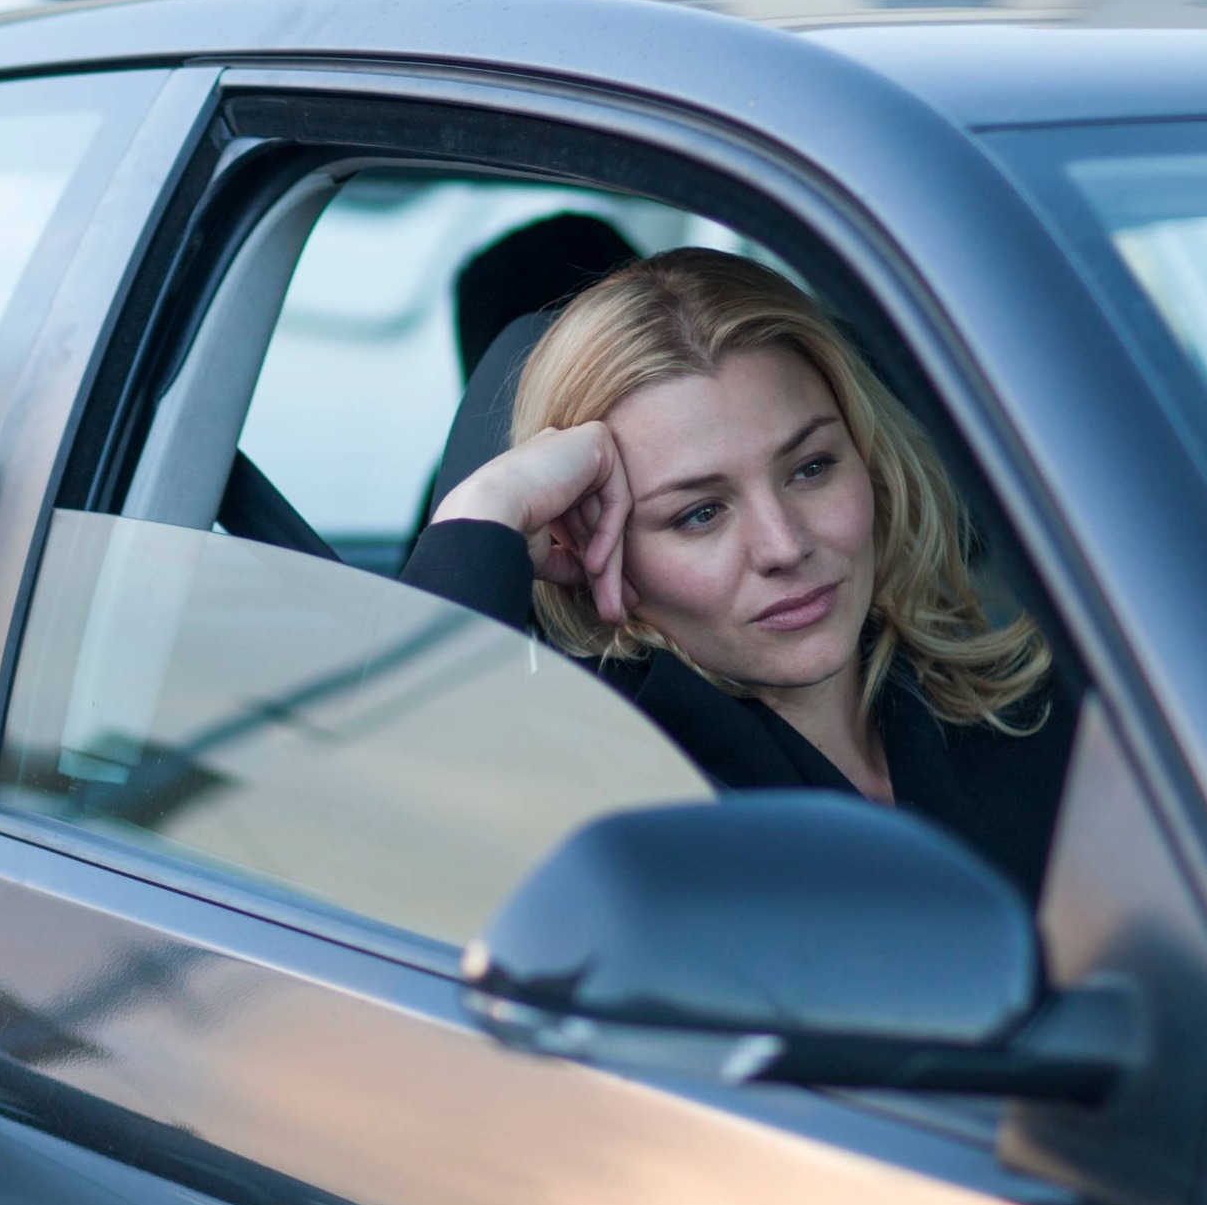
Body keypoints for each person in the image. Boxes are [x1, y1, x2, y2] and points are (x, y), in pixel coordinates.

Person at [402, 247, 1075, 891]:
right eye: (700, 514)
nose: (784, 545)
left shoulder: (1032, 714)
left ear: (871, 460)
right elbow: (388, 819)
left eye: (811, 469)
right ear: (593, 542)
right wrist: (488, 507)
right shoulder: (601, 808)